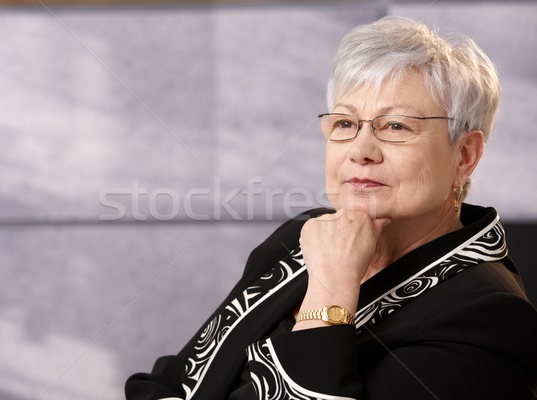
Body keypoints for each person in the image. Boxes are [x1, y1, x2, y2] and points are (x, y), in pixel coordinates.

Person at [125, 16, 537, 400]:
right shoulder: (303, 235)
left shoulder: (490, 318)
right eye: (345, 123)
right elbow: (174, 382)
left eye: (396, 126)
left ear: (465, 154)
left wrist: (330, 292)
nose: (360, 151)